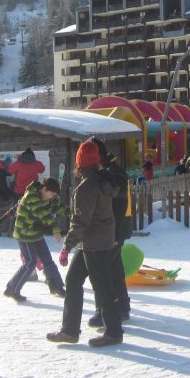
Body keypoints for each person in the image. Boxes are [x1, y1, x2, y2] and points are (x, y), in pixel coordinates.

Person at [47, 140, 123, 347]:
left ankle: (114, 333)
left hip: (94, 244)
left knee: (103, 288)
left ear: (79, 162)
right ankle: (70, 331)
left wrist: (66, 247)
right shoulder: (102, 180)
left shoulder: (87, 187)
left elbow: (81, 221)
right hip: (96, 241)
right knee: (73, 282)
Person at [86, 136, 132, 329]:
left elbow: (118, 206)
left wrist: (114, 234)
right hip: (114, 229)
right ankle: (121, 307)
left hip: (113, 229)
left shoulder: (113, 174)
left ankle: (105, 310)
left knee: (102, 272)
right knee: (114, 268)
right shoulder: (111, 171)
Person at [4, 177, 68, 301]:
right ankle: (12, 289)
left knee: (47, 260)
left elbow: (59, 207)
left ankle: (56, 286)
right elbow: (43, 214)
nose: (52, 196)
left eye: (55, 194)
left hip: (36, 233)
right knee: (30, 262)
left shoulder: (49, 197)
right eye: (51, 193)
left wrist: (75, 213)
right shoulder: (31, 196)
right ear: (44, 189)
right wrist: (55, 230)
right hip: (24, 233)